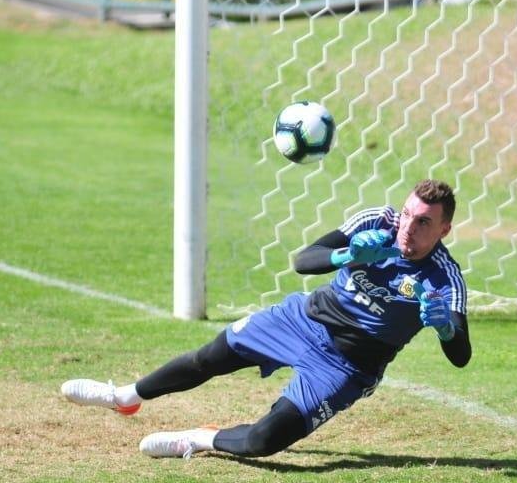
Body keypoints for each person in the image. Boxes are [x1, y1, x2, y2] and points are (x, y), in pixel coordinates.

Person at [61, 179, 471, 459]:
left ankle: (199, 439)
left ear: (444, 229)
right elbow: (303, 261)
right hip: (303, 320)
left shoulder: (444, 278)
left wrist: (445, 327)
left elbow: (460, 357)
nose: (407, 229)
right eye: (407, 214)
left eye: (423, 223)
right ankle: (125, 397)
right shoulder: (375, 222)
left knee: (264, 440)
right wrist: (345, 255)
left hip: (347, 365)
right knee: (211, 357)